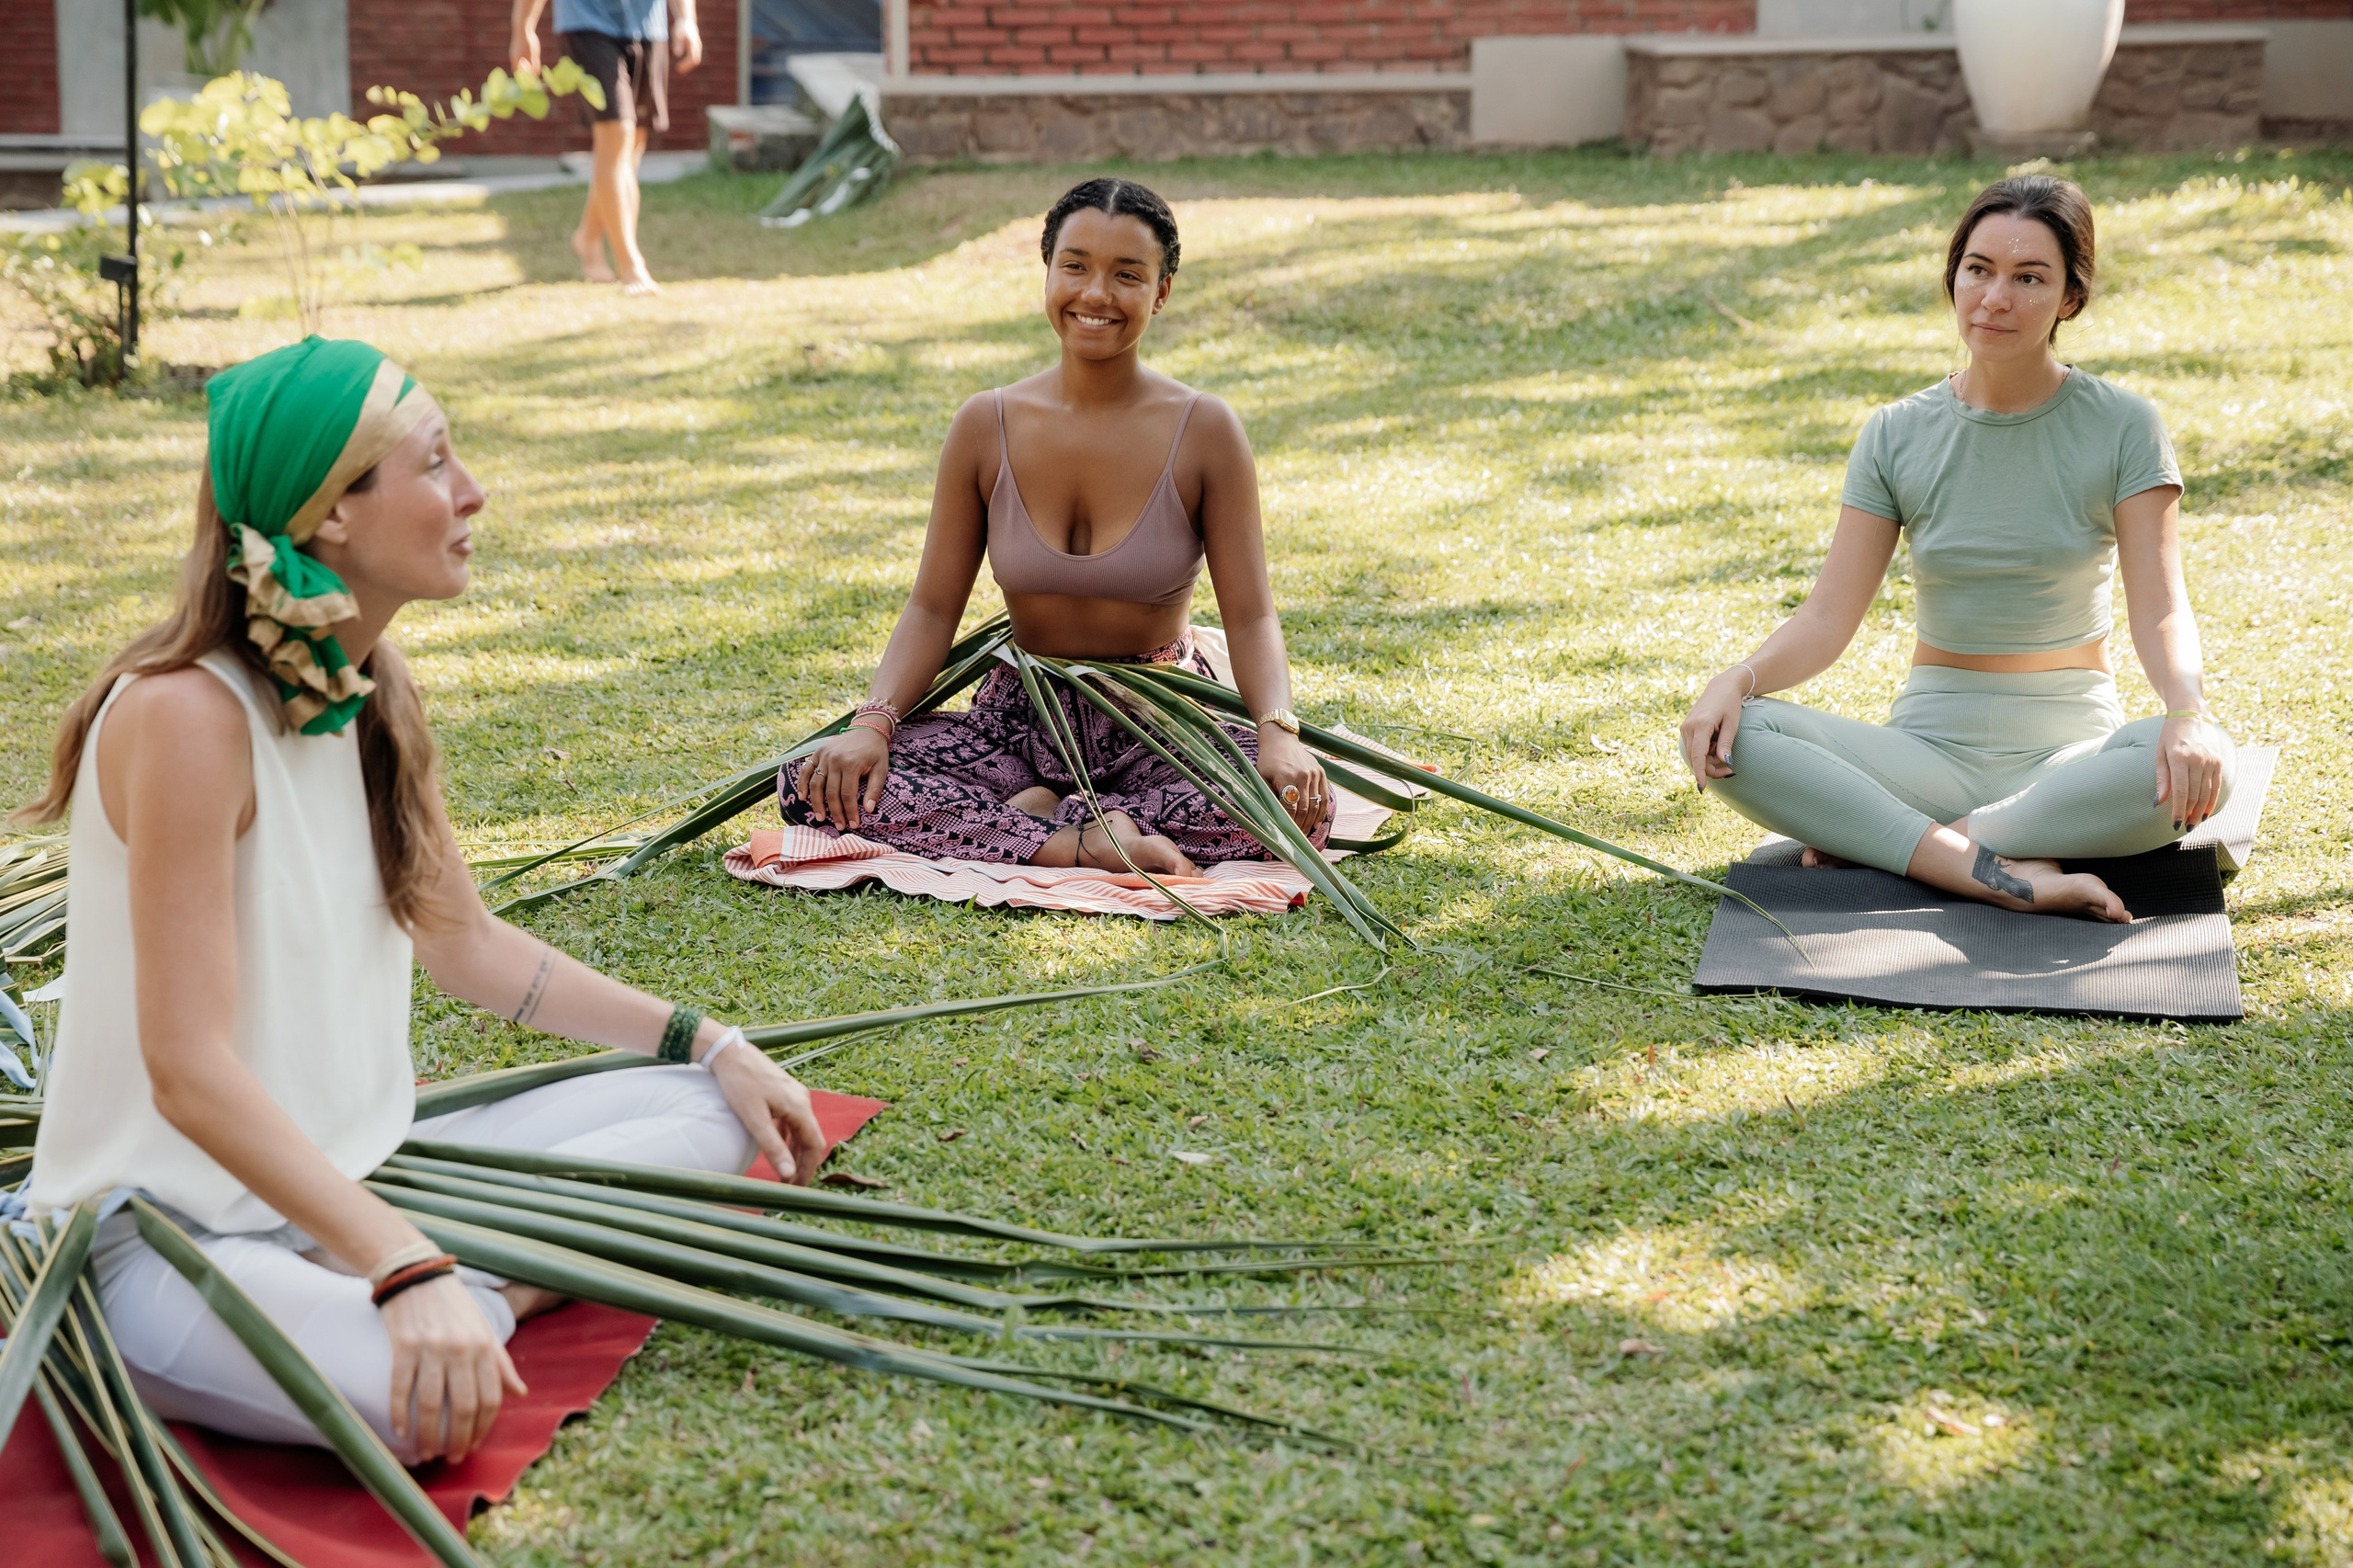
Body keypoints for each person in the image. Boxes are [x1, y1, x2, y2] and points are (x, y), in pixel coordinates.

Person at [17, 336, 826, 1466]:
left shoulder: (371, 683)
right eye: (436, 461)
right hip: (162, 1233)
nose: (473, 492)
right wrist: (404, 1260)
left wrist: (711, 1040)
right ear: (332, 513)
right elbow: (186, 1068)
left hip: (357, 1171)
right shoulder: (185, 717)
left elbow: (467, 944)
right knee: (420, 1405)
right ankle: (457, 1288)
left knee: (711, 1109)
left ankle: (444, 1283)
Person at [1677, 175, 2233, 923]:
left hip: (2067, 760)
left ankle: (1926, 845)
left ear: (2070, 297)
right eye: (1979, 270)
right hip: (1925, 755)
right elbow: (1826, 619)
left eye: (2028, 278)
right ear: (1954, 278)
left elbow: (2161, 610)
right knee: (1738, 738)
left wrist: (2186, 711)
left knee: (2209, 763)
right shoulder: (1895, 432)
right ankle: (2000, 867)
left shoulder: (2125, 426)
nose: (1995, 298)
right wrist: (1735, 680)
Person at [785, 177, 1332, 876]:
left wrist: (1278, 733)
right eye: (1075, 266)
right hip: (1018, 725)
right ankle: (1079, 840)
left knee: (1296, 804)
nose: (1095, 294)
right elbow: (931, 607)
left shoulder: (1205, 430)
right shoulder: (986, 425)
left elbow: (1251, 616)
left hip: (1159, 728)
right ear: (1047, 273)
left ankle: (1036, 825)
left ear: (1161, 291)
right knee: (813, 778)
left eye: (1127, 275)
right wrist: (872, 725)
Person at [510, 0, 701, 295]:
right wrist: (523, 28)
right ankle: (630, 264)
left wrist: (686, 18)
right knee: (617, 133)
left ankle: (588, 235)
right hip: (586, 23)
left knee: (632, 144)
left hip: (649, 27)